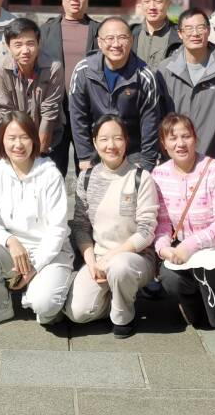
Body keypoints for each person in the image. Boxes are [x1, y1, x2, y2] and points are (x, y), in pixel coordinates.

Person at [0, 112, 73, 328]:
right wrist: (9, 240)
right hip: (15, 251)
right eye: (11, 138)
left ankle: (41, 293)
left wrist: (34, 266)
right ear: (2, 141)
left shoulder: (50, 174)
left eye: (24, 137)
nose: (18, 145)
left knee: (45, 307)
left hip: (50, 252)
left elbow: (58, 230)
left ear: (34, 140)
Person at [152, 113, 215, 343]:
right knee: (169, 277)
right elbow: (162, 223)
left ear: (195, 138)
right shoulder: (159, 174)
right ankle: (194, 301)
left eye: (186, 136)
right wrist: (163, 248)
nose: (180, 143)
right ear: (164, 143)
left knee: (210, 266)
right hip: (182, 248)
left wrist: (189, 246)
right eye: (172, 138)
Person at [65, 114, 158, 338]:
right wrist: (91, 261)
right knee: (77, 312)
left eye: (117, 138)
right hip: (98, 258)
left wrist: (111, 257)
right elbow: (81, 227)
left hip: (135, 258)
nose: (111, 145)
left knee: (120, 267)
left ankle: (123, 316)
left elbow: (146, 231)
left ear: (126, 141)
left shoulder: (141, 177)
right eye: (104, 139)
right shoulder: (86, 178)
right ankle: (118, 296)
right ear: (95, 142)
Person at [69, 16, 164, 172]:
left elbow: (150, 123)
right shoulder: (83, 71)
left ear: (131, 40)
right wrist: (85, 157)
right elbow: (78, 116)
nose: (116, 44)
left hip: (133, 152)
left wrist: (147, 162)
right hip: (97, 151)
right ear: (100, 42)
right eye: (110, 38)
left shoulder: (145, 76)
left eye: (122, 37)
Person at [157, 8, 215, 168]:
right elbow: (157, 119)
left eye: (200, 28)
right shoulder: (165, 70)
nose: (195, 33)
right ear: (180, 34)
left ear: (208, 30)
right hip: (173, 163)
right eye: (189, 29)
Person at [41, 0, 99, 173]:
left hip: (87, 110)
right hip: (55, 111)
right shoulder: (46, 30)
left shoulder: (98, 31)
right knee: (52, 169)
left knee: (89, 168)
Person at [0, 17, 65, 162]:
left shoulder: (54, 68)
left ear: (39, 43)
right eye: (18, 45)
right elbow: (5, 112)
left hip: (49, 138)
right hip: (15, 140)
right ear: (8, 46)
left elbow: (50, 112)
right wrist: (19, 145)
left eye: (30, 44)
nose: (25, 51)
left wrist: (39, 153)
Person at [132, 0, 181, 68]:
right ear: (141, 4)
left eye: (158, 1)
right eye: (147, 1)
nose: (152, 7)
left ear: (168, 3)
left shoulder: (180, 36)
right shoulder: (131, 33)